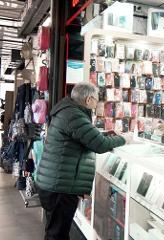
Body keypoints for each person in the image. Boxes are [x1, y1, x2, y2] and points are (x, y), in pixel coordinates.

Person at [35, 82, 132, 240]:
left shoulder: (68, 111)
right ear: (88, 100)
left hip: (54, 184)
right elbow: (100, 145)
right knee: (57, 234)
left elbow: (84, 137)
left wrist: (105, 134)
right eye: (96, 99)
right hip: (60, 187)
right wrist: (124, 139)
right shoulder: (74, 115)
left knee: (55, 230)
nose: (96, 104)